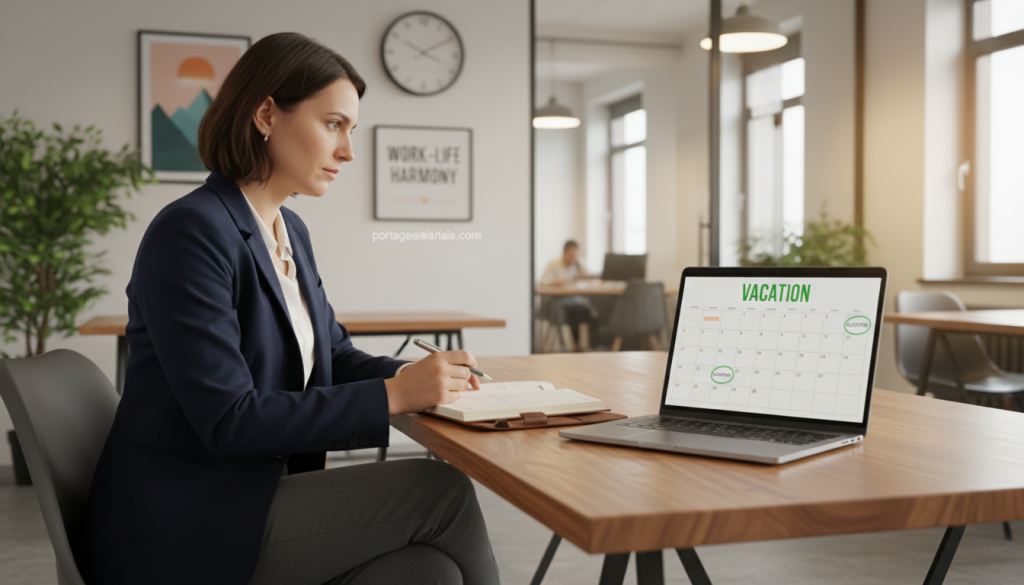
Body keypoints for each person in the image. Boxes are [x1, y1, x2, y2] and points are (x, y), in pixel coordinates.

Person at [80, 33, 500, 585]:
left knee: (428, 571)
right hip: (185, 520)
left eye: (351, 130)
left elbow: (332, 354)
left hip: (253, 491)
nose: (348, 150)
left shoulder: (288, 230)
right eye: (334, 125)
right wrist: (396, 396)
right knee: (439, 492)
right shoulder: (191, 232)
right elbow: (229, 419)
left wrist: (417, 376)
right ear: (265, 115)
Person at [540, 240, 598, 350]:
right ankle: (572, 347)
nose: (573, 257)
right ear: (564, 252)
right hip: (556, 301)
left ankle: (590, 347)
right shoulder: (554, 264)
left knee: (590, 312)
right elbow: (542, 282)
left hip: (574, 299)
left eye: (575, 254)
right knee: (572, 310)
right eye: (571, 254)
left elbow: (590, 278)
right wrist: (556, 282)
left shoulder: (578, 264)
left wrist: (582, 270)